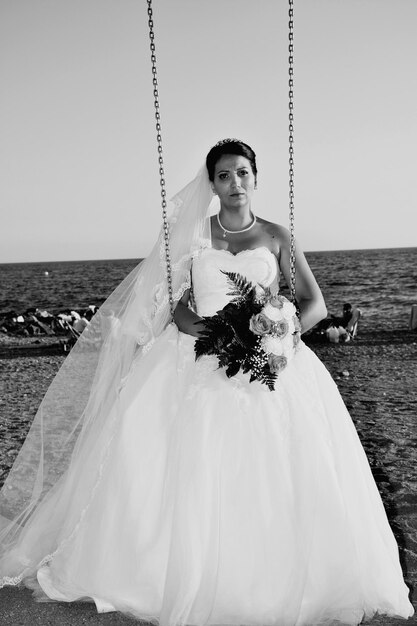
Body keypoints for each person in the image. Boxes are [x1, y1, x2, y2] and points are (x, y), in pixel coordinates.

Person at [0, 140, 413, 626]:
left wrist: (283, 332)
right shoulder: (195, 237)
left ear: (255, 178)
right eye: (223, 175)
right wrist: (190, 324)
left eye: (242, 173)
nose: (234, 184)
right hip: (199, 355)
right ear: (212, 184)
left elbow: (315, 303)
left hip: (268, 360)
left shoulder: (279, 235)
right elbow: (172, 297)